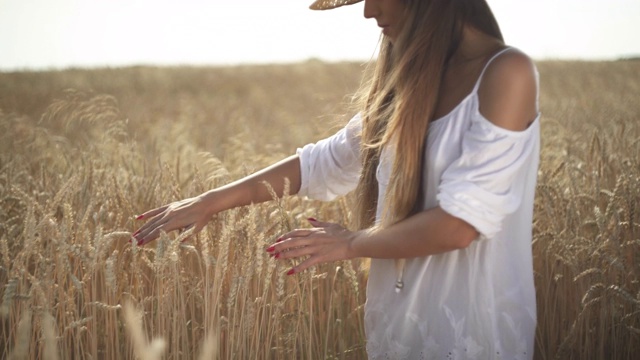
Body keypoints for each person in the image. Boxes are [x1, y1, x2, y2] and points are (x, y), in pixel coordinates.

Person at [133, 0, 540, 358]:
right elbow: (321, 164)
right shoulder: (406, 86)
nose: (368, 10)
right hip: (395, 331)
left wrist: (351, 243)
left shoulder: (506, 73)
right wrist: (211, 201)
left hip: (475, 334)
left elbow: (459, 225)